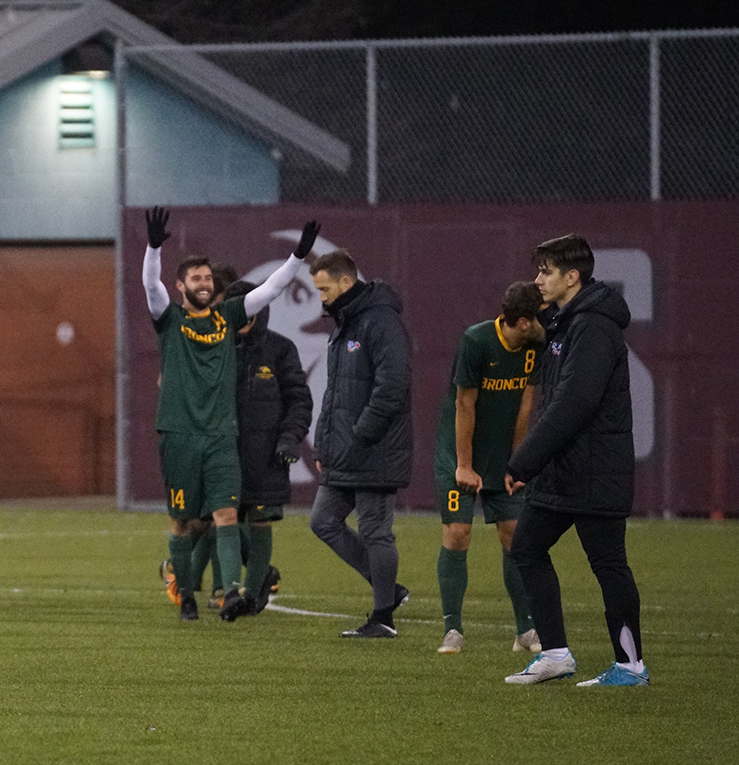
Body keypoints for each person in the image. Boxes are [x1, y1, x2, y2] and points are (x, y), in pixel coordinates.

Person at [141, 207, 319, 622]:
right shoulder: (170, 320)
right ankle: (185, 594)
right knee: (183, 522)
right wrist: (152, 248)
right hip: (180, 436)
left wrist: (297, 257)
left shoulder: (227, 316)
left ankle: (231, 594)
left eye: (208, 278)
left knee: (224, 514)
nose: (204, 283)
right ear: (181, 285)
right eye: (196, 279)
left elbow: (271, 290)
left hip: (222, 437)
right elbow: (150, 285)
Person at [503, 235, 648, 687]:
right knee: (526, 548)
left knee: (609, 565)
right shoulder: (567, 323)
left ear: (573, 277)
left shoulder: (594, 327)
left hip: (593, 470)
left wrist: (523, 461)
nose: (538, 278)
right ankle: (556, 654)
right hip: (565, 470)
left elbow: (574, 404)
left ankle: (630, 667)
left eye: (546, 271)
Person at [432, 282, 548, 655]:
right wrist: (464, 465)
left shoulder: (535, 346)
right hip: (458, 453)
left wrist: (519, 461)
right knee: (458, 533)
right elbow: (465, 404)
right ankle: (453, 630)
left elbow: (526, 404)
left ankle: (525, 631)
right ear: (526, 322)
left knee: (514, 534)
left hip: (503, 457)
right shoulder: (476, 341)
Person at [306, 248, 414, 639]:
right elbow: (335, 394)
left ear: (346, 282)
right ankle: (390, 589)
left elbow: (394, 384)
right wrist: (325, 445)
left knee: (375, 531)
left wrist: (361, 434)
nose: (321, 297)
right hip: (346, 451)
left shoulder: (381, 321)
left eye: (324, 289)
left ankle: (383, 617)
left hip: (376, 448)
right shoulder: (345, 323)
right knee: (322, 522)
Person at [205, 277, 311, 615]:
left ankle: (253, 593)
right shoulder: (213, 346)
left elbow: (299, 401)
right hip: (223, 452)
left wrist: (288, 439)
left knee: (260, 521)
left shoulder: (280, 349)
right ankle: (225, 590)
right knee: (224, 518)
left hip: (267, 454)